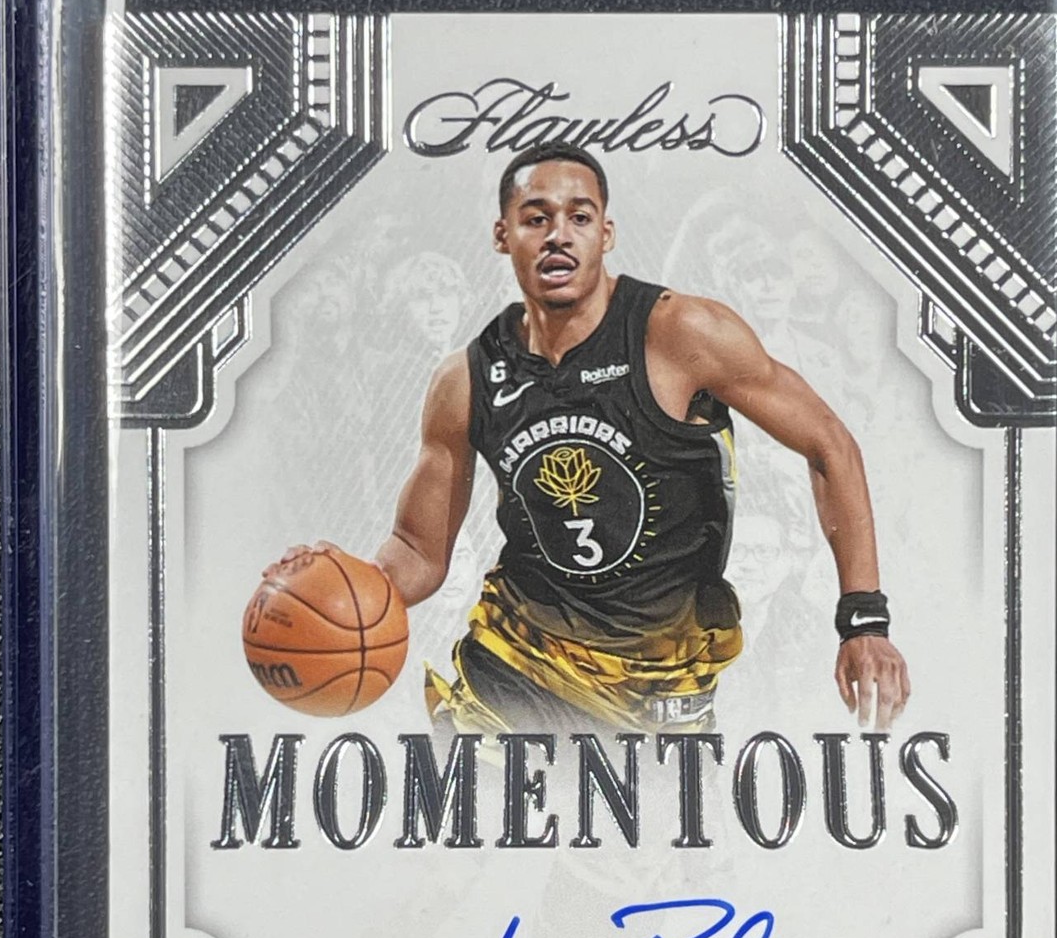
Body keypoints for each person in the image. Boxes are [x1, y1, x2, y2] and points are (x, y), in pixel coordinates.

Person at [310, 140, 910, 733]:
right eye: (536, 218)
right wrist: (335, 587)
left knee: (661, 798)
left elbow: (829, 444)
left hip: (660, 685)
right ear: (502, 235)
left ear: (606, 233)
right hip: (513, 670)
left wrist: (864, 620)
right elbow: (417, 551)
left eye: (579, 217)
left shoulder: (681, 333)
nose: (558, 236)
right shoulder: (466, 380)